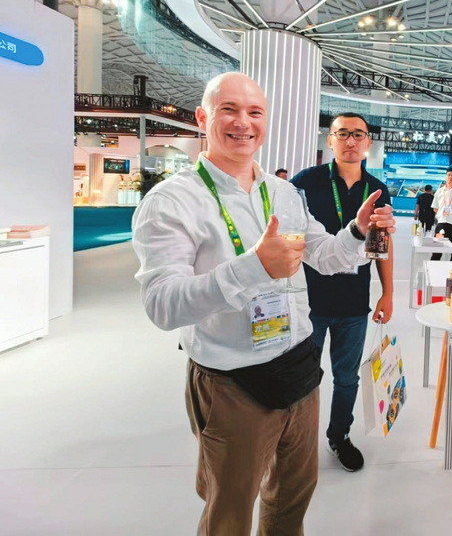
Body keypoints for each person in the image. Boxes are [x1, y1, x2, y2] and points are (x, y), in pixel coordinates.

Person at [132, 72, 395, 535]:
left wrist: (355, 231)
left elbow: (326, 256)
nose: (243, 123)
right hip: (232, 382)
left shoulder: (284, 194)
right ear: (202, 118)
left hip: (299, 370)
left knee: (291, 501)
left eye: (255, 112)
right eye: (229, 110)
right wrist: (253, 267)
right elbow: (162, 304)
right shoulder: (173, 201)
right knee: (230, 513)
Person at [291, 112, 392, 473]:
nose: (351, 141)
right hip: (309, 301)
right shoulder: (305, 183)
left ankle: (339, 436)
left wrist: (387, 292)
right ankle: (296, 442)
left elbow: (380, 245)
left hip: (354, 303)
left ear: (368, 142)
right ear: (330, 139)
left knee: (347, 378)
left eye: (358, 134)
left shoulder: (377, 189)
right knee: (302, 377)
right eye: (343, 133)